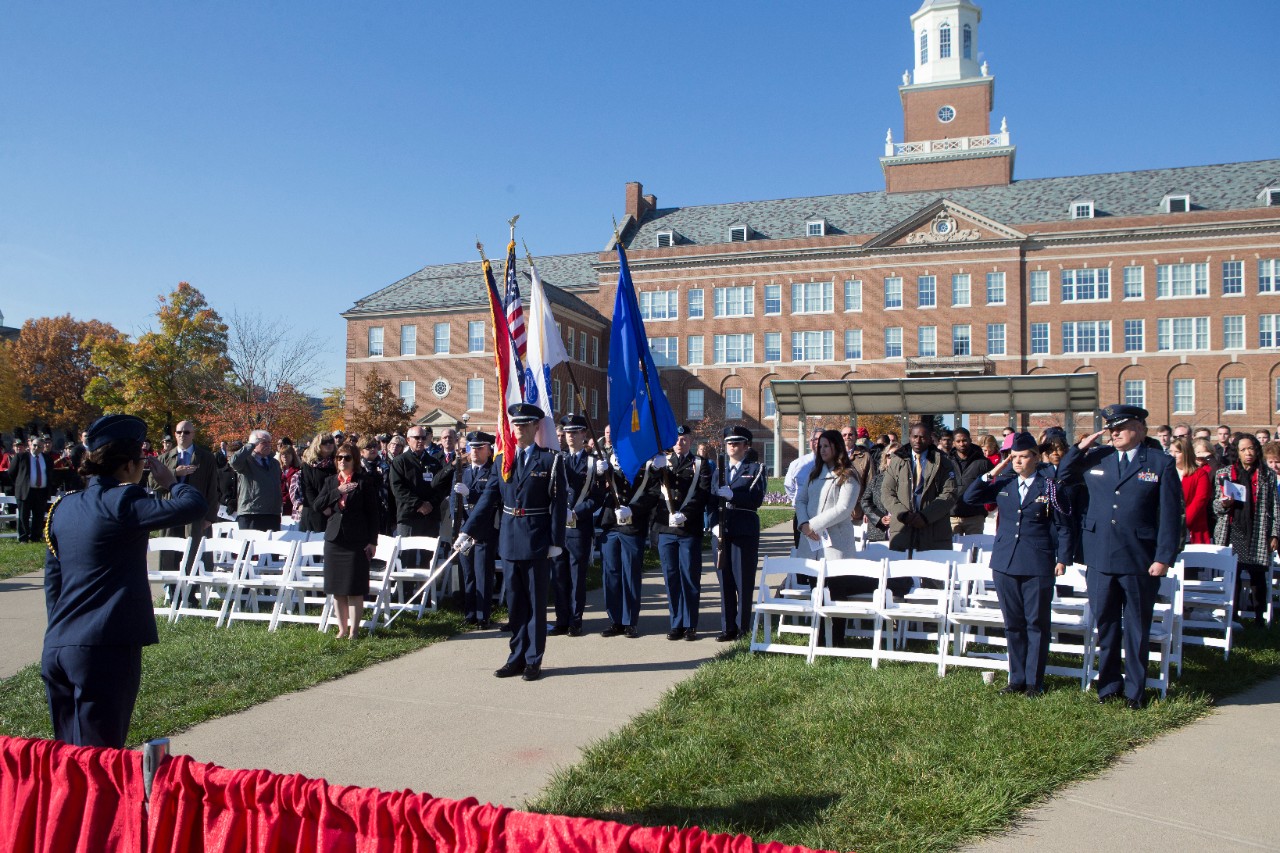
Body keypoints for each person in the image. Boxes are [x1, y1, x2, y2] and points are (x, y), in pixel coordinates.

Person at [42, 414, 207, 747]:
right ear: (131, 464)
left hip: (59, 645)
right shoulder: (124, 500)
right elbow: (194, 505)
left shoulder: (62, 507)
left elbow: (53, 581)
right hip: (104, 647)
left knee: (66, 762)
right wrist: (171, 482)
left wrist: (61, 631)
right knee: (100, 762)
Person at [1056, 404, 1182, 709]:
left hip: (1140, 558)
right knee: (1107, 625)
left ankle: (1135, 691)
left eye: (1121, 427)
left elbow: (1170, 516)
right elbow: (1063, 475)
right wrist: (1078, 448)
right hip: (1100, 556)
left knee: (1137, 628)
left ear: (1139, 429)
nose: (1114, 433)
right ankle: (1109, 685)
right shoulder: (1098, 457)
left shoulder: (1159, 463)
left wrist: (1163, 557)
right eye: (1111, 428)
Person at [455, 403, 567, 681]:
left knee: (536, 604)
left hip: (537, 539)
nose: (519, 429)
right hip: (509, 539)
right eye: (515, 425)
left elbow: (559, 504)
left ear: (535, 427)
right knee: (515, 604)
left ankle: (533, 660)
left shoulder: (550, 460)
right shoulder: (502, 460)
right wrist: (467, 531)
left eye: (525, 425)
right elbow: (487, 499)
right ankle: (515, 656)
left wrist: (556, 540)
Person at [964, 433, 1073, 696]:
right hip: (1005, 561)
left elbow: (1064, 526)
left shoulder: (1049, 487)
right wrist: (995, 469)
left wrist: (1062, 559)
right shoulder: (1004, 484)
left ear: (1036, 458)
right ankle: (1017, 679)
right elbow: (970, 497)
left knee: (1035, 623)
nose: (1018, 461)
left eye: (1023, 456)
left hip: (1037, 561)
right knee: (1013, 623)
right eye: (1013, 457)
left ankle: (1034, 682)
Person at [795, 429, 868, 646]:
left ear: (836, 447)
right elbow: (801, 501)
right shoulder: (813, 473)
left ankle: (836, 640)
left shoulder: (848, 474)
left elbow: (844, 509)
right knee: (816, 591)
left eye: (826, 445)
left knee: (835, 594)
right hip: (812, 543)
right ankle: (817, 639)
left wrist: (814, 524)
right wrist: (804, 524)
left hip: (836, 544)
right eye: (820, 446)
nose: (822, 449)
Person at [1210, 434, 1280, 627]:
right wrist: (1224, 503)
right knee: (1234, 574)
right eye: (1243, 450)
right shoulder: (1225, 473)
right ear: (1237, 453)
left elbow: (1275, 507)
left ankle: (1259, 617)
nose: (1248, 453)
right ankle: (1233, 616)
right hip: (1233, 529)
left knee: (1258, 576)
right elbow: (1215, 506)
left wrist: (1274, 534)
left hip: (1258, 530)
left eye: (1251, 449)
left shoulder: (1267, 475)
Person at [314, 443, 380, 639]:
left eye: (347, 458)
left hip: (356, 540)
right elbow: (317, 505)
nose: (342, 461)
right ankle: (342, 629)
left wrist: (372, 541)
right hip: (334, 540)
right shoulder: (330, 481)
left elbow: (373, 514)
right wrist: (338, 491)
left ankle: (354, 630)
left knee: (354, 588)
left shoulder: (364, 481)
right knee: (337, 589)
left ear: (355, 460)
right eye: (339, 458)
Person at [597, 442, 663, 639]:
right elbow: (598, 490)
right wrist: (601, 474)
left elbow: (652, 494)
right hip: (611, 526)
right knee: (610, 575)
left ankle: (630, 621)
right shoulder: (610, 468)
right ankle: (614, 620)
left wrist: (633, 509)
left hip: (632, 528)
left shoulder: (645, 470)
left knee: (630, 575)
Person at [708, 426, 767, 642]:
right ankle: (728, 627)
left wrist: (733, 495)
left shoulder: (756, 469)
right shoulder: (719, 471)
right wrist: (713, 524)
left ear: (746, 446)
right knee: (725, 581)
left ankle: (743, 628)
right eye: (729, 443)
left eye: (737, 443)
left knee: (743, 580)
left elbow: (756, 499)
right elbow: (711, 502)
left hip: (743, 529)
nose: (732, 446)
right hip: (722, 531)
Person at [653, 425, 711, 641]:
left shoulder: (700, 464)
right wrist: (653, 469)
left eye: (684, 438)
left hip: (688, 529)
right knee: (671, 577)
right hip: (666, 528)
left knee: (689, 576)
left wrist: (686, 513)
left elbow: (703, 492)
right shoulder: (663, 463)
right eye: (677, 439)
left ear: (691, 440)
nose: (680, 442)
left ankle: (690, 624)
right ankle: (676, 623)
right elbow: (651, 489)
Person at [552, 416, 605, 637]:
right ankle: (561, 619)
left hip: (578, 526)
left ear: (584, 435)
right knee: (559, 575)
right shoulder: (557, 460)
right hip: (558, 528)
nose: (570, 436)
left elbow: (597, 498)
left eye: (575, 432)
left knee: (576, 577)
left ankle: (576, 620)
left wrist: (576, 512)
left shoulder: (594, 463)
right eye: (567, 432)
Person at [155, 420, 221, 572]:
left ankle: (192, 593)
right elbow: (153, 483)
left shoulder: (205, 457)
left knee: (194, 554)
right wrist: (175, 473)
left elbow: (212, 488)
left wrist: (210, 517)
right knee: (170, 553)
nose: (182, 435)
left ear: (193, 435)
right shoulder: (165, 458)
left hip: (195, 513)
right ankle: (171, 593)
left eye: (186, 432)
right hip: (171, 511)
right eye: (179, 432)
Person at [882, 422, 959, 552]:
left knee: (931, 571)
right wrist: (904, 514)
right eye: (915, 436)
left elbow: (949, 493)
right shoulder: (897, 460)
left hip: (933, 529)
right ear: (910, 437)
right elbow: (887, 492)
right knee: (903, 571)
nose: (918, 440)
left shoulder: (943, 461)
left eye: (922, 437)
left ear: (930, 439)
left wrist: (925, 516)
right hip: (903, 529)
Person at [389, 426, 452, 569]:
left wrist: (431, 504)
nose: (420, 441)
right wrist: (418, 504)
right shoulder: (400, 462)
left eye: (423, 437)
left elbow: (441, 487)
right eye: (417, 438)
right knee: (407, 557)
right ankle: (405, 591)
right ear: (408, 440)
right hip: (408, 517)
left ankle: (427, 590)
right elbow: (398, 488)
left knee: (428, 559)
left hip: (430, 517)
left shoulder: (434, 462)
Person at [453, 431, 499, 628]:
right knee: (468, 574)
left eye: (480, 448)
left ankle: (483, 616)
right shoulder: (463, 471)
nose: (474, 451)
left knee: (483, 575)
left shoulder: (492, 472)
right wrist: (458, 528)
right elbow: (455, 502)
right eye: (472, 447)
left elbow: (489, 501)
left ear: (489, 451)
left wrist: (470, 494)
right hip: (464, 531)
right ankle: (469, 613)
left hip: (484, 531)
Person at [229, 430, 283, 531]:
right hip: (251, 513)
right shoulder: (246, 462)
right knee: (250, 545)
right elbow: (234, 461)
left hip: (272, 513)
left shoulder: (274, 463)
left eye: (269, 442)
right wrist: (251, 445)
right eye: (263, 442)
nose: (268, 445)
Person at [949, 427, 992, 534]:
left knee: (974, 549)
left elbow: (992, 484)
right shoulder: (946, 462)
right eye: (958, 441)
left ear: (970, 440)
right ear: (954, 443)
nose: (962, 444)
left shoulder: (982, 462)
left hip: (975, 516)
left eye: (964, 440)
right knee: (952, 549)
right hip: (952, 516)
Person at [12, 435, 55, 543]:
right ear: (30, 445)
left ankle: (36, 536)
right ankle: (23, 537)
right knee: (23, 515)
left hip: (41, 491)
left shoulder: (47, 459)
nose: (36, 448)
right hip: (25, 490)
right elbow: (11, 473)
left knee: (39, 515)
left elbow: (50, 473)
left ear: (43, 447)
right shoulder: (21, 457)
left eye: (39, 446)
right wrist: (19, 484)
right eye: (34, 445)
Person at [1170, 436, 1211, 544]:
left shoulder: (1199, 474)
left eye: (1177, 452)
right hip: (1168, 527)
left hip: (1192, 529)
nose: (1173, 455)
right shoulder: (1166, 472)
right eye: (1171, 451)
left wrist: (1183, 522)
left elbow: (1200, 500)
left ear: (1186, 453)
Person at [784, 429, 821, 548]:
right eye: (814, 439)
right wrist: (799, 501)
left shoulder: (831, 464)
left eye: (821, 439)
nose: (817, 442)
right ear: (810, 442)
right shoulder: (798, 463)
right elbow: (789, 485)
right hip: (802, 514)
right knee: (802, 549)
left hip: (822, 513)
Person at [860, 441, 899, 543]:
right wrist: (879, 518)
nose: (892, 458)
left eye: (896, 455)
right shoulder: (876, 479)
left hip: (901, 533)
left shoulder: (910, 481)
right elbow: (865, 501)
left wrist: (895, 518)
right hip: (878, 533)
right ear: (885, 459)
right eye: (889, 456)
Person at [298, 433, 337, 533]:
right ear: (317, 445)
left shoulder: (338, 463)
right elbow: (307, 490)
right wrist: (322, 507)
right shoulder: (308, 465)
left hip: (334, 512)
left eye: (331, 442)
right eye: (324, 442)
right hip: (313, 512)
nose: (328, 444)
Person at [278, 443, 303, 522]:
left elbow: (297, 489)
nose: (285, 456)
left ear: (293, 456)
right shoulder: (277, 470)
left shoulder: (298, 471)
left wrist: (284, 499)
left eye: (287, 454)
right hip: (278, 506)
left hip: (292, 505)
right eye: (282, 454)